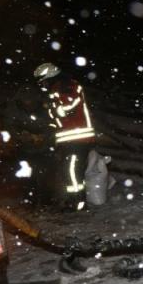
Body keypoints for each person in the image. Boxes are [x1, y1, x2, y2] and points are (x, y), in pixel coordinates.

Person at [33, 63, 96, 209]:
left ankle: (78, 203)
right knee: (69, 171)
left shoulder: (66, 85)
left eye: (43, 81)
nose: (42, 85)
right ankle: (73, 201)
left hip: (77, 137)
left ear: (49, 77)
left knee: (72, 171)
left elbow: (69, 106)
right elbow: (57, 118)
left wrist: (54, 110)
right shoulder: (57, 88)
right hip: (69, 139)